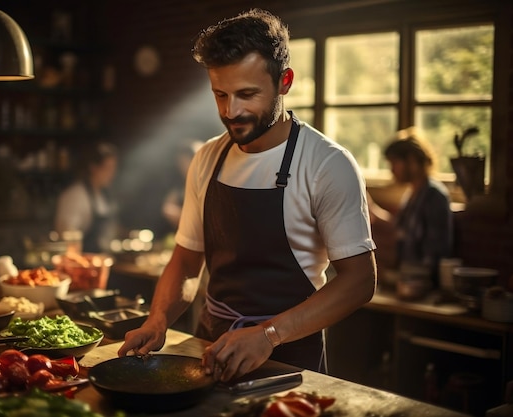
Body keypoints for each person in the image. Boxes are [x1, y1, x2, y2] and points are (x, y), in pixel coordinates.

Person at [118, 8, 377, 381]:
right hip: (209, 350)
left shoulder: (326, 163)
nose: (230, 110)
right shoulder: (208, 157)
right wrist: (158, 320)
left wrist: (269, 335)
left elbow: (360, 281)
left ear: (284, 81)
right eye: (220, 94)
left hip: (291, 361)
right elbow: (187, 262)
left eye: (247, 94)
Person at [369, 128, 453, 286]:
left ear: (412, 160)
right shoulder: (413, 194)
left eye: (395, 163)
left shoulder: (435, 196)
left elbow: (434, 255)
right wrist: (371, 210)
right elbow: (399, 228)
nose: (392, 170)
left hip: (421, 281)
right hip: (407, 275)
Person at [54, 142, 119, 253]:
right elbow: (66, 235)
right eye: (107, 168)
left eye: (113, 169)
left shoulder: (105, 195)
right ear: (93, 168)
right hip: (84, 262)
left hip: (103, 258)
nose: (111, 174)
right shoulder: (75, 196)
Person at [161, 139, 202, 230]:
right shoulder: (181, 184)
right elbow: (168, 207)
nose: (181, 167)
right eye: (180, 163)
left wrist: (183, 217)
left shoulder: (206, 184)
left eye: (184, 162)